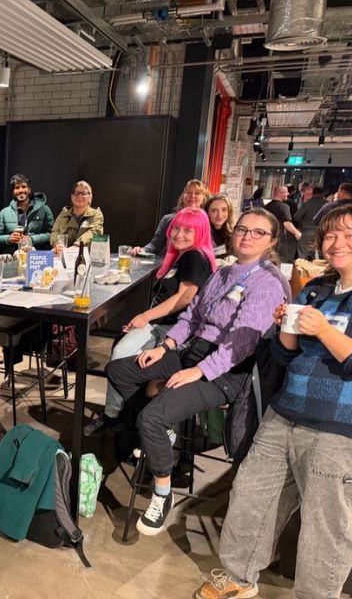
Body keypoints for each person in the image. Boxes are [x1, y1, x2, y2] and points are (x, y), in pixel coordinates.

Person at [194, 204, 352, 599]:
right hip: (284, 413)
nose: (337, 243)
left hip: (338, 429)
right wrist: (286, 327)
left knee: (327, 527)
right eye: (330, 236)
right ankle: (238, 575)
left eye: (349, 234)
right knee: (251, 495)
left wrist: (321, 330)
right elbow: (289, 356)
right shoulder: (318, 289)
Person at [106, 208, 289, 537]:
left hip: (227, 370)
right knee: (120, 370)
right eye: (243, 230)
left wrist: (199, 372)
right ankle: (166, 433)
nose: (247, 236)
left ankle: (163, 492)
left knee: (151, 418)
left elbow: (241, 344)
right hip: (192, 351)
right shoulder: (224, 272)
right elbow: (192, 315)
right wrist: (165, 346)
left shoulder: (269, 283)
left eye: (258, 232)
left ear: (272, 241)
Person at [85, 208, 216, 435]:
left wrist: (145, 316)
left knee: (121, 357)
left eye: (187, 230)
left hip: (173, 329)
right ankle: (121, 415)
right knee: (121, 350)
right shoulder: (183, 255)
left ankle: (126, 417)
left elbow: (184, 299)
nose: (179, 234)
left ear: (201, 232)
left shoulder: (195, 256)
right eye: (176, 228)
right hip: (160, 324)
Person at [129, 179, 208, 257]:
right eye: (188, 192)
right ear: (183, 196)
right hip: (165, 265)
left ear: (203, 198)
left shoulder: (206, 222)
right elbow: (155, 244)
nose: (192, 196)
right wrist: (142, 250)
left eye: (197, 193)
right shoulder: (167, 219)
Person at [0, 173, 54, 252]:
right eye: (17, 187)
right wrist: (9, 239)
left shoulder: (45, 210)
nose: (21, 190)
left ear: (29, 190)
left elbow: (51, 234)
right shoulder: (4, 213)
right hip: (13, 257)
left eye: (24, 187)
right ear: (13, 192)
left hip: (36, 257)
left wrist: (31, 239)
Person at [49, 180, 104, 253]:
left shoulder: (96, 214)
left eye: (84, 193)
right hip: (63, 255)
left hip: (85, 257)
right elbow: (55, 232)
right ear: (72, 196)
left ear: (90, 197)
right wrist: (57, 245)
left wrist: (76, 246)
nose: (79, 196)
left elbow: (93, 233)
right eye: (77, 193)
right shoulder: (64, 213)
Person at [265, 185, 301, 263]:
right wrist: (296, 233)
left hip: (267, 238)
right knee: (280, 260)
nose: (288, 194)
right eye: (286, 192)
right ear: (280, 193)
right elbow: (287, 223)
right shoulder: (284, 207)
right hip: (279, 239)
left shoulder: (266, 206)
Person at [293, 184, 327, 259]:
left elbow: (296, 216)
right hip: (322, 233)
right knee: (318, 257)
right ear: (322, 194)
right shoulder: (327, 204)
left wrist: (302, 223)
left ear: (313, 193)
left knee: (302, 256)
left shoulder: (307, 203)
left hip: (306, 232)